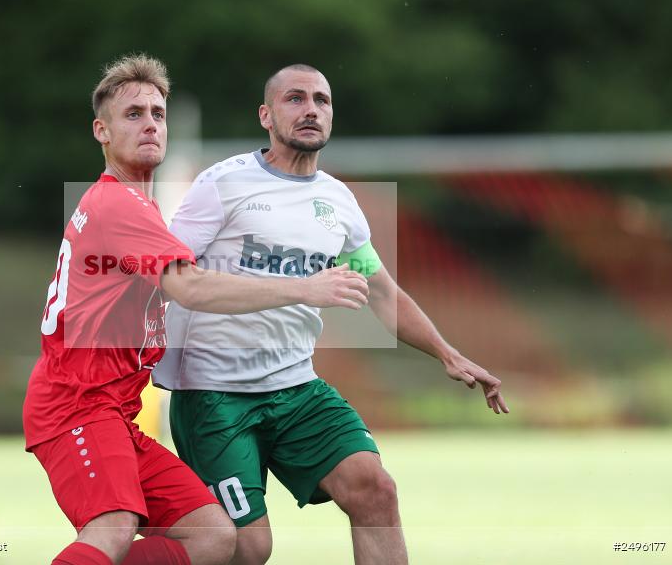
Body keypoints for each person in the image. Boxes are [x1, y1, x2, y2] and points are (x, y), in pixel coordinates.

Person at [154, 64, 510, 565]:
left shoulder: (338, 202)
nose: (310, 110)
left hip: (297, 388)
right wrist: (301, 286)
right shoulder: (223, 184)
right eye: (294, 99)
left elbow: (383, 292)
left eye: (321, 100)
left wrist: (447, 354)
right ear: (266, 115)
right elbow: (172, 280)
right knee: (247, 548)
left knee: (375, 490)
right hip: (215, 395)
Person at [22, 55, 371, 565]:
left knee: (213, 536)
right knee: (113, 528)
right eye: (133, 114)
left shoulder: (139, 207)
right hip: (77, 406)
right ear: (102, 130)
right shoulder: (119, 204)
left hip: (115, 412)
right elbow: (191, 289)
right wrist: (302, 288)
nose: (150, 124)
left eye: (158, 114)